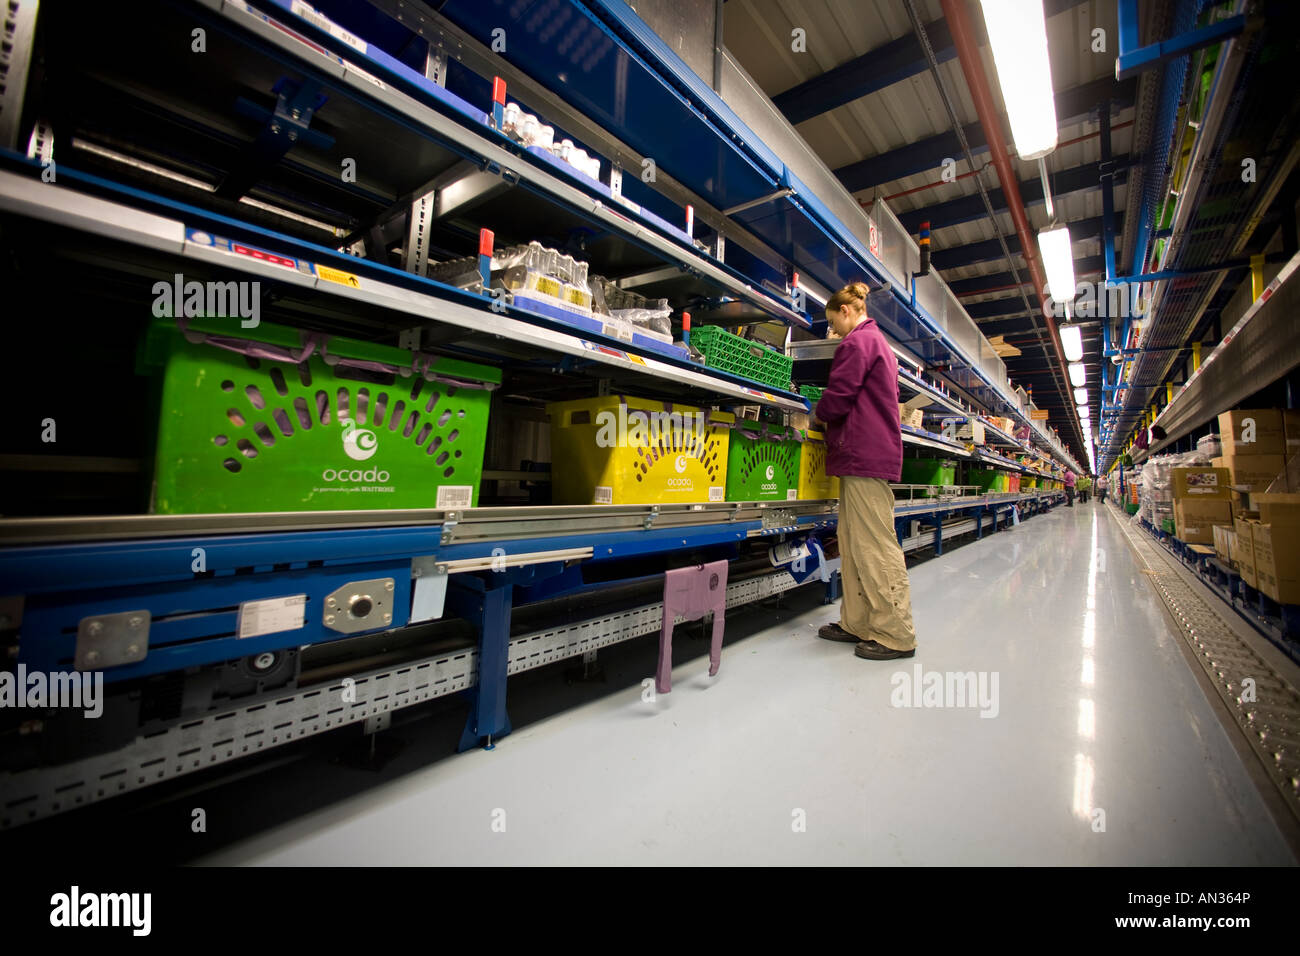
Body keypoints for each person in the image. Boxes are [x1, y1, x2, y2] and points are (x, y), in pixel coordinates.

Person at [812, 283, 917, 661]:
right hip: (860, 456)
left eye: (832, 323)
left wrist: (816, 413)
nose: (833, 331)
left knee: (874, 544)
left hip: (864, 456)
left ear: (846, 311)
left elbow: (839, 395)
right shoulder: (876, 343)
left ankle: (895, 633)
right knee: (853, 543)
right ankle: (857, 621)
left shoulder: (858, 343)